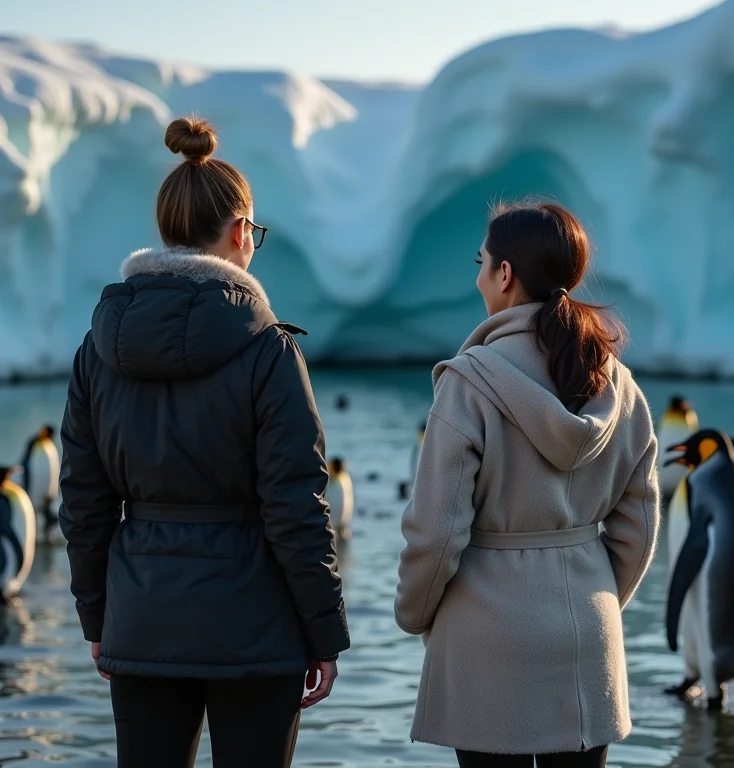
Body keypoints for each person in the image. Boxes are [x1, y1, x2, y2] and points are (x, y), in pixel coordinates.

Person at [59, 116, 350, 768]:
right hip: (256, 626)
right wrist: (323, 631)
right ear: (242, 232)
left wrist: (97, 618)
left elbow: (82, 500)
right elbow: (296, 503)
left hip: (142, 615)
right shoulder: (269, 352)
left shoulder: (97, 350)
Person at [395, 201, 660, 768]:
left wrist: (415, 614)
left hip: (486, 639)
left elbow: (437, 532)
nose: (477, 275)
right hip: (589, 635)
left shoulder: (469, 384)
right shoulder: (619, 385)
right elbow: (639, 526)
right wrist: (600, 596)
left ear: (506, 274)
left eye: (481, 262)